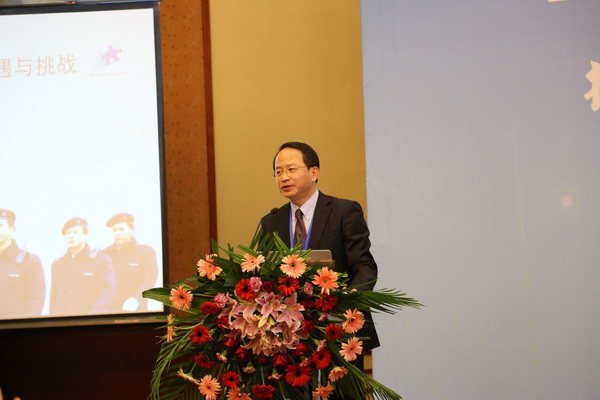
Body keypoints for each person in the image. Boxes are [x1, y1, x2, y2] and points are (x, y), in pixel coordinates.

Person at [259, 142, 380, 369]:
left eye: (291, 169)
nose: (284, 177)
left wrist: (350, 300)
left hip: (338, 331)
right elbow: (262, 275)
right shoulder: (271, 221)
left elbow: (364, 266)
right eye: (278, 172)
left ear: (314, 172)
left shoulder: (344, 211)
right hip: (286, 336)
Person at [49, 217, 116, 315]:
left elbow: (107, 292)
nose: (71, 236)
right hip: (62, 319)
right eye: (68, 233)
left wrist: (94, 316)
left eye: (75, 232)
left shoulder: (100, 260)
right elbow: (54, 296)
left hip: (88, 318)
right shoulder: (58, 264)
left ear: (85, 235)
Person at [103, 213, 158, 312]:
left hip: (135, 309)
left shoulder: (146, 253)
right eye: (114, 230)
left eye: (121, 229)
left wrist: (137, 298)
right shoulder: (105, 254)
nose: (117, 233)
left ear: (132, 229)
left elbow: (149, 280)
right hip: (109, 310)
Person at [0, 209, 45, 316]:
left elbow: (36, 298)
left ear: (12, 229)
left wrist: (25, 323)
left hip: (16, 324)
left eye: (1, 226)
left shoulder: (30, 260)